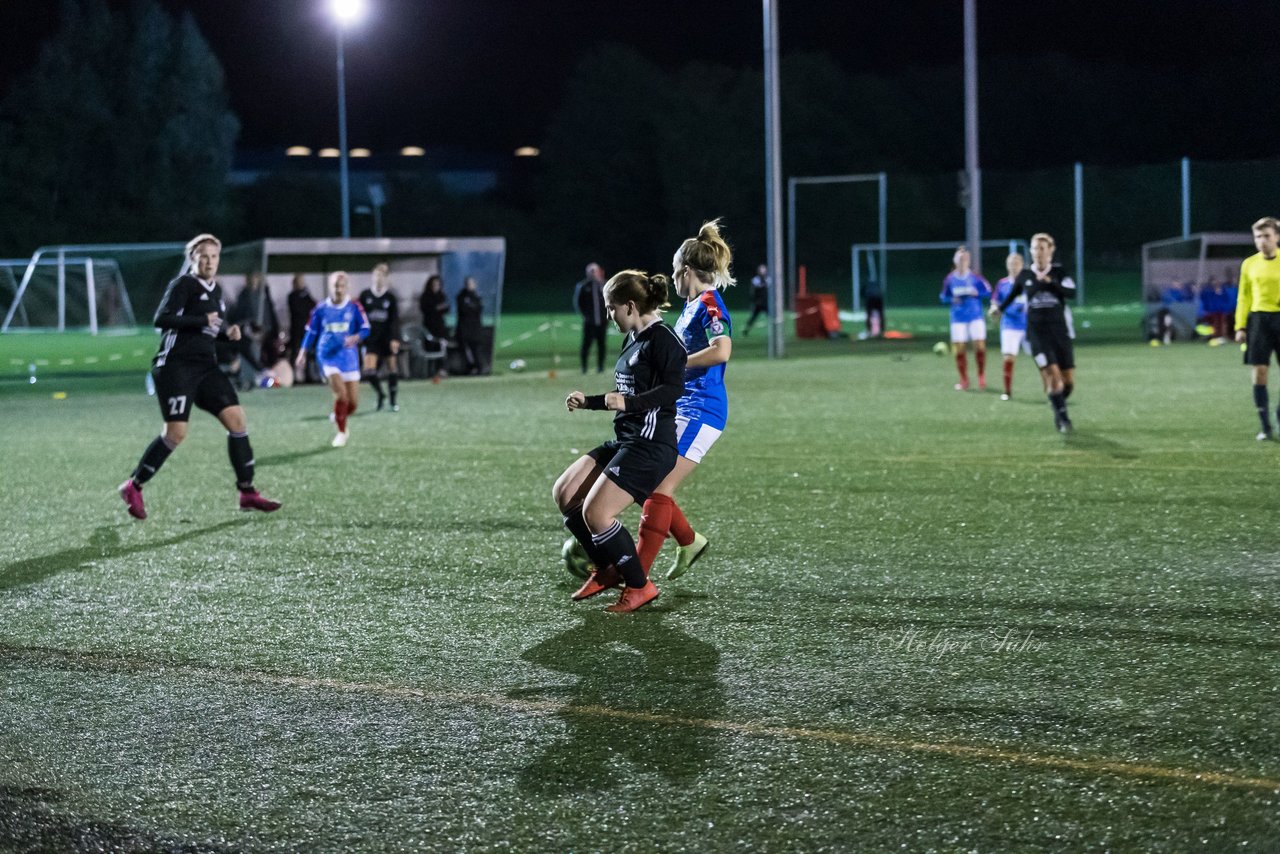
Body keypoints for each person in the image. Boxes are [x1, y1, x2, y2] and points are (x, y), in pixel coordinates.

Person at [117, 234, 282, 519]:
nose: (209, 261)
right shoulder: (183, 285)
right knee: (176, 433)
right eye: (203, 256)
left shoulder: (216, 291)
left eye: (214, 256)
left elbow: (210, 326)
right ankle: (133, 486)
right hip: (175, 366)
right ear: (193, 258)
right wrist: (201, 321)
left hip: (206, 366)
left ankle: (247, 492)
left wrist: (226, 332)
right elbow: (162, 319)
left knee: (237, 421)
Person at [552, 269, 688, 613]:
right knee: (566, 493)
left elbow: (673, 389)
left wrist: (627, 403)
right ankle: (609, 568)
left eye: (611, 308)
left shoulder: (664, 339)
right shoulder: (632, 338)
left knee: (596, 512)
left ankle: (640, 586)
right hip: (626, 438)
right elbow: (626, 392)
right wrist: (592, 401)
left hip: (651, 443)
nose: (609, 315)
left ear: (630, 306)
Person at [633, 220, 735, 582]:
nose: (673, 280)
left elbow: (722, 351)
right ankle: (689, 542)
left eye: (676, 273)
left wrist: (677, 364)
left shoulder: (708, 302)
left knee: (658, 487)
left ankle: (636, 579)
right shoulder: (692, 306)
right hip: (684, 406)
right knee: (649, 483)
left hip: (702, 410)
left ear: (687, 270)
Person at [992, 232, 1077, 433]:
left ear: (1050, 251)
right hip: (1037, 334)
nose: (1038, 253)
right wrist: (999, 309)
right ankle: (1063, 419)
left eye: (1042, 248)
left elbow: (1072, 293)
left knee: (1068, 383)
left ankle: (1057, 404)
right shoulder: (1025, 275)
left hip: (1060, 333)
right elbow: (1012, 295)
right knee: (1053, 376)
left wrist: (1051, 283)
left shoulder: (1059, 272)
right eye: (1034, 248)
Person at [296, 271, 370, 447]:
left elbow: (366, 329)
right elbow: (311, 332)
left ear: (347, 287)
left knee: (353, 405)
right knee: (341, 396)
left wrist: (356, 337)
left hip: (349, 358)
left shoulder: (354, 307)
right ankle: (341, 433)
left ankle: (338, 415)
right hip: (327, 356)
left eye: (342, 286)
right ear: (330, 287)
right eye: (335, 285)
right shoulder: (320, 309)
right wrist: (302, 353)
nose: (339, 289)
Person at [1233, 217, 1280, 440]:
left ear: (1277, 237)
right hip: (1259, 321)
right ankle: (1265, 427)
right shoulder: (1249, 264)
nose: (1262, 241)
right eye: (1258, 237)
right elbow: (1244, 296)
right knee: (1260, 373)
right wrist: (1240, 325)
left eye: (1267, 236)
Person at [940, 246, 992, 391]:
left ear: (968, 261)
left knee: (980, 346)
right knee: (959, 349)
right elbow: (943, 296)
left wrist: (977, 293)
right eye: (959, 259)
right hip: (958, 318)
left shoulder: (975, 277)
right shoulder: (950, 279)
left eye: (965, 259)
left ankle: (981, 376)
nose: (962, 261)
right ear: (955, 261)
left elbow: (988, 291)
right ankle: (964, 380)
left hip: (975, 316)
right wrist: (952, 299)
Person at [358, 262, 402, 410]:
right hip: (371, 339)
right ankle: (380, 394)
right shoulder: (365, 296)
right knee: (369, 371)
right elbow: (359, 318)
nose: (379, 278)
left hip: (387, 338)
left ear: (387, 278)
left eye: (382, 276)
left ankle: (393, 401)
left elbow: (395, 320)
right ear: (372, 277)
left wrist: (395, 338)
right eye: (377, 275)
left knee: (392, 369)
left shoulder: (390, 298)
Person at [229, 270, 280, 389]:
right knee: (249, 352)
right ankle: (254, 377)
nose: (254, 280)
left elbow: (268, 312)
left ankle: (264, 377)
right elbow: (241, 315)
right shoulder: (244, 295)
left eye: (256, 277)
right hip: (248, 332)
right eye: (251, 277)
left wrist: (269, 328)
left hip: (264, 332)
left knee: (262, 354)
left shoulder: (263, 294)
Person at [991, 253, 1028, 400]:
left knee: (1042, 359)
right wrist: (993, 308)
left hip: (1028, 325)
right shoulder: (1002, 284)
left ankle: (1052, 390)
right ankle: (1007, 391)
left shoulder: (1028, 283)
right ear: (1007, 266)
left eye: (1017, 263)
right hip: (1009, 325)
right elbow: (995, 301)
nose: (1014, 266)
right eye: (1011, 263)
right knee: (1008, 357)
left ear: (1022, 265)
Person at [574, 263, 608, 373]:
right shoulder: (583, 286)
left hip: (602, 321)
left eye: (595, 271)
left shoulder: (604, 285)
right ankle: (584, 367)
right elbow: (578, 303)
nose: (593, 273)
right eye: (591, 271)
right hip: (590, 322)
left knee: (601, 345)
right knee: (586, 345)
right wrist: (586, 316)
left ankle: (600, 367)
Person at [418, 273, 451, 379]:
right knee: (430, 348)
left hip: (440, 328)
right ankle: (429, 372)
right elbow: (427, 310)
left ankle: (441, 370)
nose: (436, 286)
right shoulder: (425, 296)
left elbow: (446, 308)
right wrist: (437, 308)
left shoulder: (442, 295)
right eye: (434, 284)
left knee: (441, 348)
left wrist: (437, 309)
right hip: (429, 327)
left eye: (438, 284)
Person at [286, 273, 317, 376]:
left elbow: (313, 306)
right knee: (295, 352)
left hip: (306, 329)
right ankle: (292, 375)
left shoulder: (306, 295)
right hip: (296, 330)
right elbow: (298, 310)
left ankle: (309, 375)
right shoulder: (292, 296)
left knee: (307, 352)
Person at [455, 275, 484, 375]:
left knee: (476, 349)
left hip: (475, 329)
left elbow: (478, 309)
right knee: (466, 350)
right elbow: (464, 310)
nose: (469, 286)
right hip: (464, 329)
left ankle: (479, 368)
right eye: (468, 284)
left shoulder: (476, 297)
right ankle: (470, 368)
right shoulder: (461, 297)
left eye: (471, 284)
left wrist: (471, 307)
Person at [743, 263, 769, 335]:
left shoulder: (768, 280)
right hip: (758, 303)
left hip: (765, 303)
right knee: (753, 318)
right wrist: (754, 301)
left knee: (771, 317)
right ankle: (746, 330)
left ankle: (776, 330)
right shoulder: (755, 280)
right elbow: (753, 293)